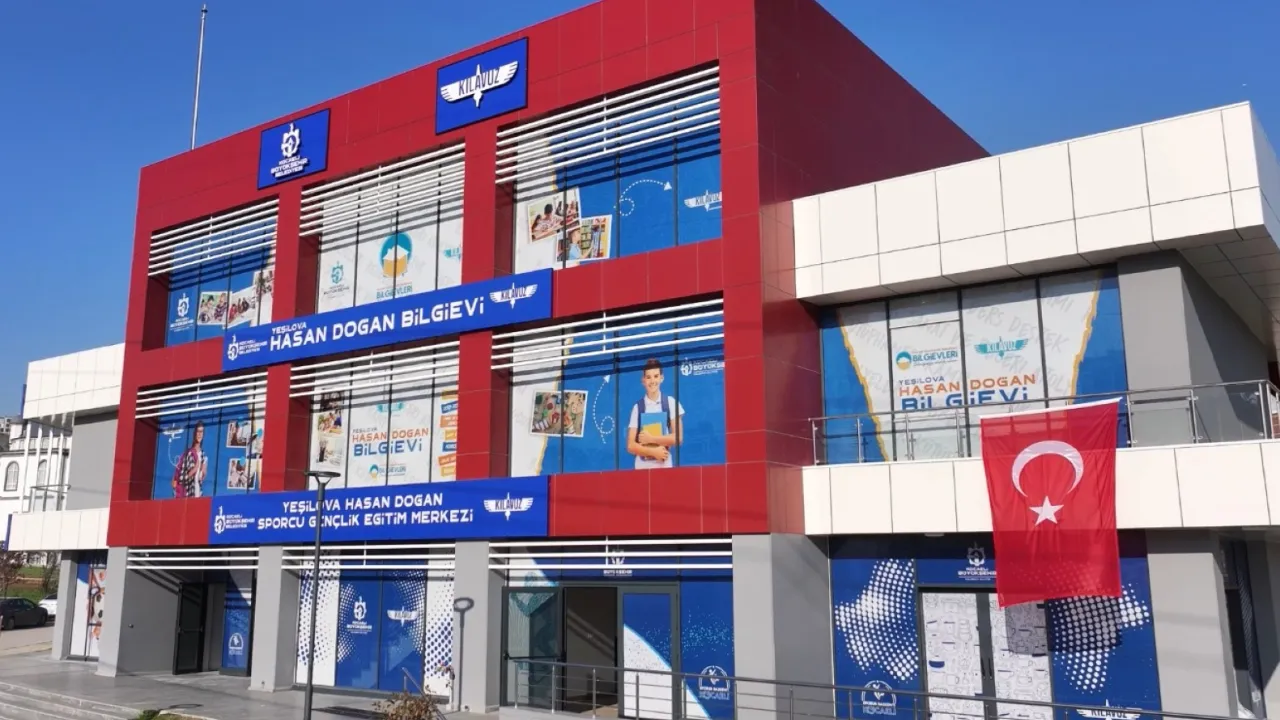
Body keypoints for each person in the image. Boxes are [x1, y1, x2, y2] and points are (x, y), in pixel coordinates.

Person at [626, 359, 684, 469]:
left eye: (656, 376)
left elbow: (678, 437)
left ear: (662, 378)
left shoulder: (671, 403)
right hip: (642, 467)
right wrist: (653, 452)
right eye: (648, 377)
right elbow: (630, 445)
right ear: (643, 380)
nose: (652, 381)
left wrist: (652, 439)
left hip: (664, 466)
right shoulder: (637, 408)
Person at [172, 421, 209, 498]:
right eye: (198, 431)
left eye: (201, 432)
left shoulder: (204, 456)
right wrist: (194, 469)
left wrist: (203, 473)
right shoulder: (189, 453)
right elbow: (181, 479)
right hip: (188, 494)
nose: (200, 434)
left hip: (198, 494)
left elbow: (201, 478)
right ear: (194, 433)